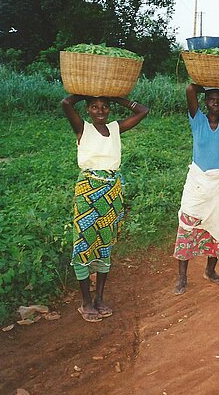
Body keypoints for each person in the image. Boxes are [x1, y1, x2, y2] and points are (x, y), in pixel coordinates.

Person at [62, 94, 149, 322]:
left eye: (104, 107)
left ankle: (99, 298)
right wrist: (83, 92)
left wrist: (117, 97)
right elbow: (65, 104)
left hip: (111, 193)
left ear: (109, 109)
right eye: (94, 107)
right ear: (88, 110)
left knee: (104, 245)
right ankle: (85, 302)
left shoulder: (116, 128)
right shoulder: (83, 128)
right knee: (83, 244)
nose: (100, 110)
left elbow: (142, 111)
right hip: (88, 194)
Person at [173, 84, 219, 295]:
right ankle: (182, 278)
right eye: (211, 99)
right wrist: (204, 80)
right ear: (204, 102)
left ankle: (210, 271)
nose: (215, 102)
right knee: (187, 226)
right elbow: (188, 89)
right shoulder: (197, 120)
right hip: (198, 183)